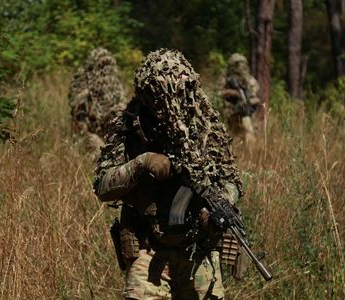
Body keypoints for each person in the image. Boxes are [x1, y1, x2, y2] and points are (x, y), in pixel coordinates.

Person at [94, 49, 244, 299]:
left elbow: (232, 181)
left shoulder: (206, 126)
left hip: (198, 248)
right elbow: (102, 186)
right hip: (147, 247)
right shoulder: (129, 126)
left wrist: (221, 204)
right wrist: (142, 163)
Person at [68, 47, 126, 157]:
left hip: (109, 129)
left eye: (107, 64)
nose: (105, 69)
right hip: (89, 132)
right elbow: (78, 113)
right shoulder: (82, 81)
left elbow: (121, 104)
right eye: (102, 65)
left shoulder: (114, 83)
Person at [219, 53, 261, 144]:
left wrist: (248, 102)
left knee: (248, 135)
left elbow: (257, 99)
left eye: (242, 65)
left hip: (246, 113)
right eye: (237, 65)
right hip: (229, 115)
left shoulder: (250, 81)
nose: (240, 68)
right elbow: (218, 94)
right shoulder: (225, 80)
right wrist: (232, 93)